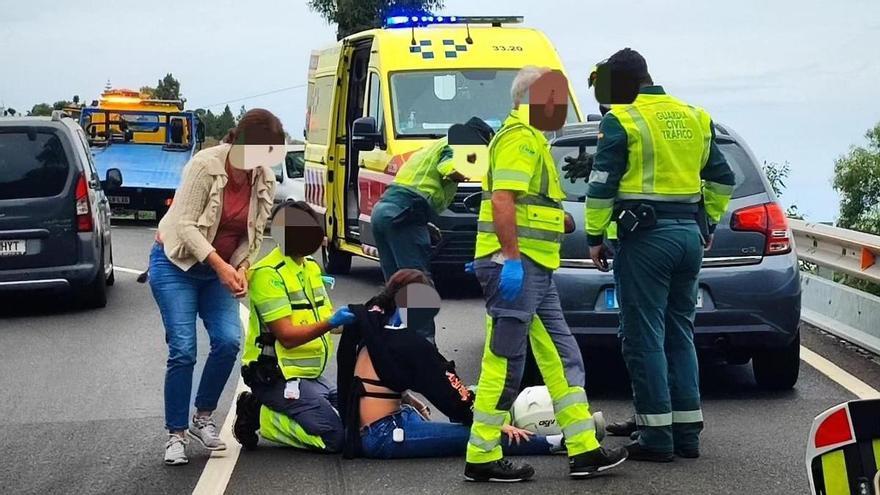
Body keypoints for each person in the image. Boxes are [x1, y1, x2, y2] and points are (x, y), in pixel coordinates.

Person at [464, 66, 628, 483]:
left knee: (561, 355)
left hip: (535, 267)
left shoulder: (534, 141)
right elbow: (503, 200)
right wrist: (512, 259)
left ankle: (583, 449)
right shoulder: (520, 138)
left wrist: (561, 224)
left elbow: (529, 208)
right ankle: (481, 454)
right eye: (555, 96)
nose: (561, 105)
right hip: (517, 268)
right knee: (505, 361)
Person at [584, 48, 736, 461]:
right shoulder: (694, 116)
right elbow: (724, 177)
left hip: (646, 240)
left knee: (643, 337)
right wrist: (707, 222)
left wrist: (594, 236)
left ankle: (656, 437)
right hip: (688, 236)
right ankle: (687, 434)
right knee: (679, 333)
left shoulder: (623, 120)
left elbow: (601, 185)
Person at [149, 108, 282, 466]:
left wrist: (240, 266)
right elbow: (188, 226)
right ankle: (174, 434)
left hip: (219, 271)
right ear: (238, 140)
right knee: (183, 348)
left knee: (227, 341)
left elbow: (254, 233)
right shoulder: (205, 165)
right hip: (176, 263)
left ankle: (202, 417)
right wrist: (221, 266)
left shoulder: (266, 179)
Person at [336, 269, 563, 459]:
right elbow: (449, 394)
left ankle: (518, 424)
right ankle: (555, 442)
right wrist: (487, 424)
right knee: (481, 435)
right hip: (385, 435)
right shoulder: (408, 343)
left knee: (472, 398)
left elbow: (380, 374)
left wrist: (409, 399)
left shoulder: (373, 323)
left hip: (369, 427)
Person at [232, 200, 356, 453]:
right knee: (336, 438)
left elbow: (323, 318)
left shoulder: (309, 267)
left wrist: (359, 318)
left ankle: (304, 404)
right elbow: (287, 336)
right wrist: (331, 322)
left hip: (309, 376)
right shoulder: (268, 273)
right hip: (275, 376)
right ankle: (259, 413)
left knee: (357, 413)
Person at [370, 117, 494, 313]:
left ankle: (390, 336)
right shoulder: (456, 145)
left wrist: (424, 223)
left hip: (387, 213)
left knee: (395, 286)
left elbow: (411, 191)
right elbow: (449, 169)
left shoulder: (435, 146)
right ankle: (421, 339)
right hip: (404, 217)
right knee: (417, 284)